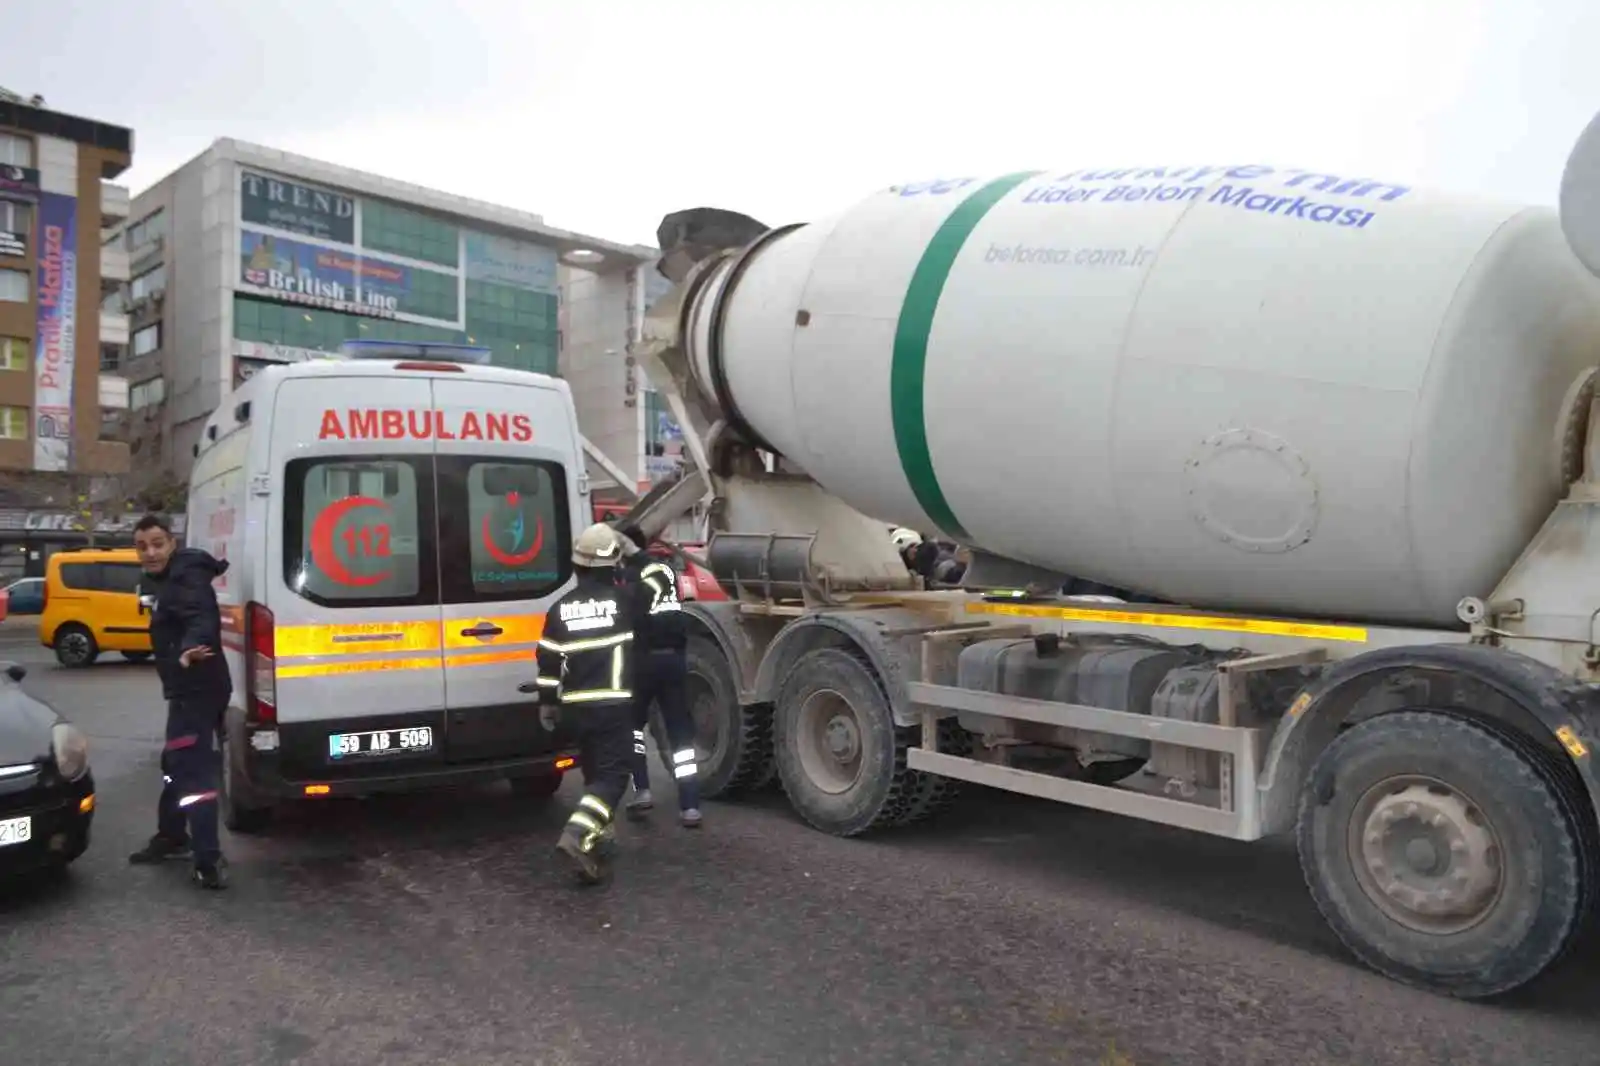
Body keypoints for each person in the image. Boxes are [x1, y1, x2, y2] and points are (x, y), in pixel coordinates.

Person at [125, 513, 232, 890]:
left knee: (193, 773)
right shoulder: (165, 579)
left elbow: (200, 617)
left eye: (157, 544)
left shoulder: (186, 578)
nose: (150, 552)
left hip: (197, 688)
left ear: (172, 543)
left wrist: (188, 649)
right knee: (174, 762)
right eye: (142, 547)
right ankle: (172, 835)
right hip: (190, 689)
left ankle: (208, 859)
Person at [535, 523, 640, 885]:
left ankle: (598, 842)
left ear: (577, 566)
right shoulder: (624, 603)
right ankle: (578, 834)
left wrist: (547, 704)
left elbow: (547, 663)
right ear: (612, 566)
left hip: (576, 709)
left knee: (595, 774)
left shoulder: (559, 609)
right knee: (613, 778)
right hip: (612, 707)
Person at [615, 524, 702, 828]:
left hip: (641, 663)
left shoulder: (629, 577)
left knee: (632, 729)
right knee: (680, 734)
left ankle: (642, 791)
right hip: (673, 660)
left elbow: (628, 616)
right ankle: (690, 806)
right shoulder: (665, 571)